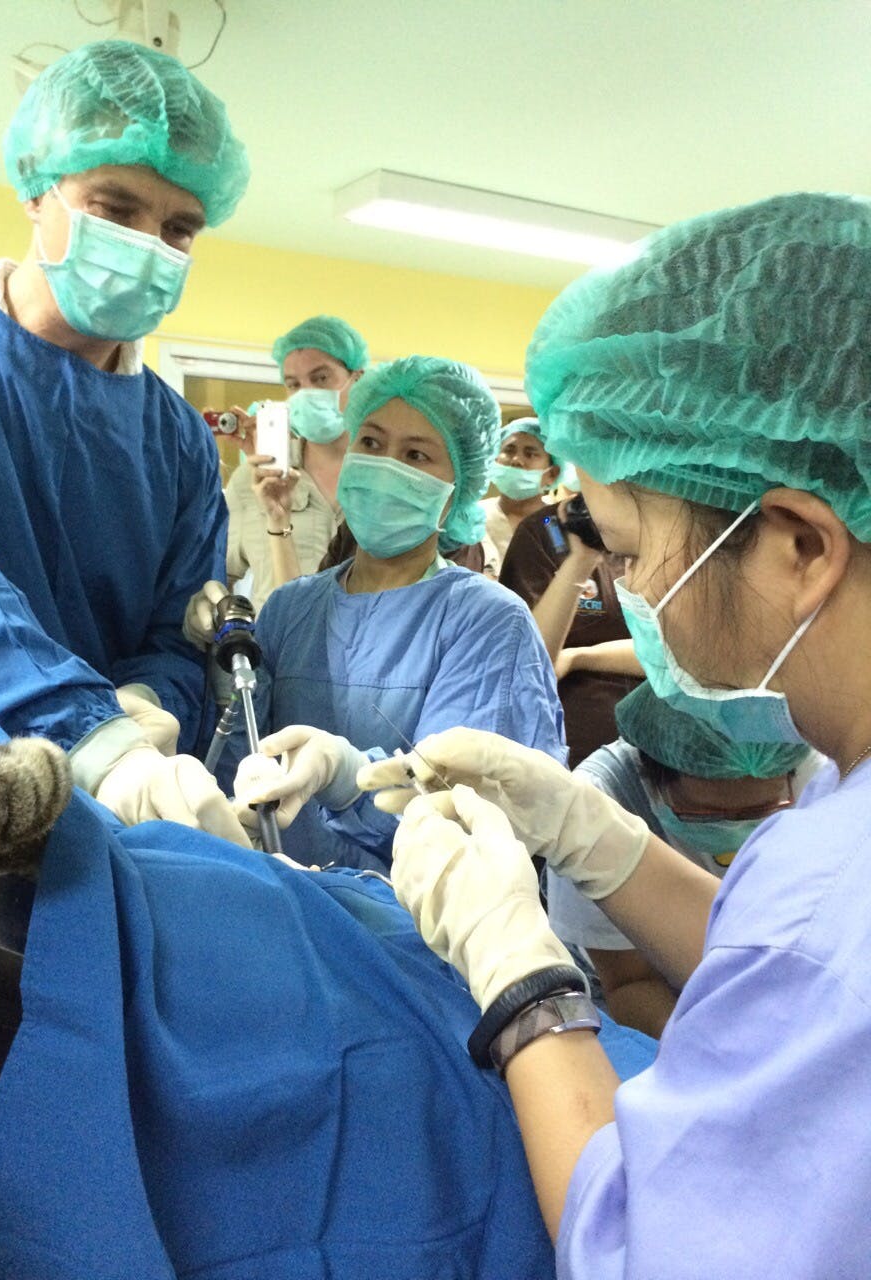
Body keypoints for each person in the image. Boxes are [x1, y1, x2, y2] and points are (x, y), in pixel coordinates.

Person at [360, 193, 871, 1276]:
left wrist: (523, 977)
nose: (630, 593)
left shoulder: (844, 900)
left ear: (796, 543)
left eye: (632, 553)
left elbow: (646, 1248)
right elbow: (772, 955)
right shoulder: (836, 807)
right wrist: (591, 831)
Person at [0, 687, 655, 1279]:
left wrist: (531, 992)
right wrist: (349, 787)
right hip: (232, 922)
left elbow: (632, 1233)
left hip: (448, 1142)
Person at [0, 40, 251, 841]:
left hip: (103, 813)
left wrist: (147, 707)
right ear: (36, 187)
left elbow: (177, 633)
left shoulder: (177, 440)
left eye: (179, 228)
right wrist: (84, 732)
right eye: (115, 208)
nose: (149, 245)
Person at [228, 356, 567, 871]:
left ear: (459, 488)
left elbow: (471, 819)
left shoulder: (487, 622)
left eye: (415, 454)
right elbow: (237, 755)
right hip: (277, 901)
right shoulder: (290, 609)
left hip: (406, 928)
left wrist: (347, 779)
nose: (386, 465)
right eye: (370, 443)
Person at [548, 681, 824, 1035]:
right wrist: (712, 1049)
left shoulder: (819, 775)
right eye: (708, 814)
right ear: (653, 773)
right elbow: (630, 984)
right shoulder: (594, 812)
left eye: (762, 809)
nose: (735, 830)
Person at [223, 315, 369, 613]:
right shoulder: (254, 481)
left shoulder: (383, 477)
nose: (305, 393)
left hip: (365, 652)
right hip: (270, 651)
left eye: (320, 378)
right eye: (293, 384)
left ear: (358, 379)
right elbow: (218, 575)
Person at [499, 490, 640, 765]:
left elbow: (673, 655)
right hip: (568, 749)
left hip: (659, 750)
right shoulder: (543, 532)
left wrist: (579, 657)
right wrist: (581, 561)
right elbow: (532, 662)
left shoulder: (661, 533)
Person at [479, 417, 559, 577]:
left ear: (551, 474)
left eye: (530, 454)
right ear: (494, 460)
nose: (516, 460)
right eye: (509, 450)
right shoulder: (475, 517)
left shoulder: (554, 523)